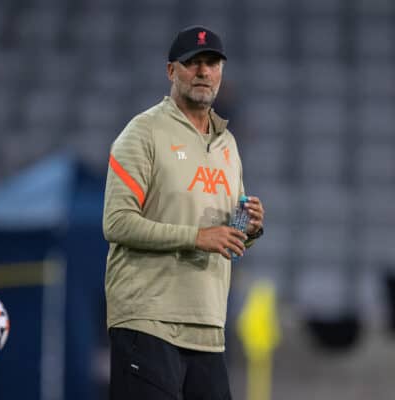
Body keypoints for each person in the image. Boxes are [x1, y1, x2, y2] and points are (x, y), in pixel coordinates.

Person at [102, 25, 265, 400]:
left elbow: (228, 235)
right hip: (148, 320)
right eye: (193, 63)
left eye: (212, 63)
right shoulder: (142, 133)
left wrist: (250, 226)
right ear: (171, 71)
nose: (204, 72)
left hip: (208, 327)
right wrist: (196, 237)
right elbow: (116, 222)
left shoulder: (226, 144)